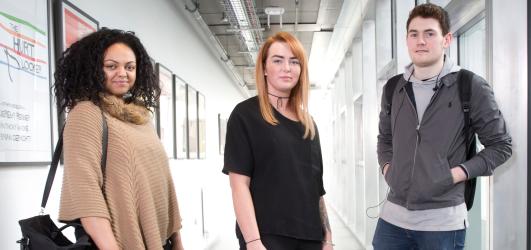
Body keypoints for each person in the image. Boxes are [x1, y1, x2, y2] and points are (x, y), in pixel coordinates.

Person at [374, 3, 512, 249]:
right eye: (414, 34)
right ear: (406, 40)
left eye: (430, 33)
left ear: (446, 39)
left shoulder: (470, 86)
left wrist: (454, 175)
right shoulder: (393, 88)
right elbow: (385, 138)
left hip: (442, 224)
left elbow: (501, 147)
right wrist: (388, 169)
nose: (421, 41)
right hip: (391, 221)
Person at [54, 28, 183, 250]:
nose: (122, 73)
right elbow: (87, 195)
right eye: (111, 66)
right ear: (93, 69)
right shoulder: (86, 113)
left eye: (130, 67)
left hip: (160, 241)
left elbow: (164, 183)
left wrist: (177, 240)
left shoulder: (140, 117)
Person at [222, 32, 334, 250]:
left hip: (310, 237)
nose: (287, 68)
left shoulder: (308, 123)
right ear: (264, 68)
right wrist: (253, 242)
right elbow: (239, 186)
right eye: (278, 60)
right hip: (268, 237)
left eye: (294, 62)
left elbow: (316, 188)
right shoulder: (245, 115)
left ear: (301, 70)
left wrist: (327, 235)